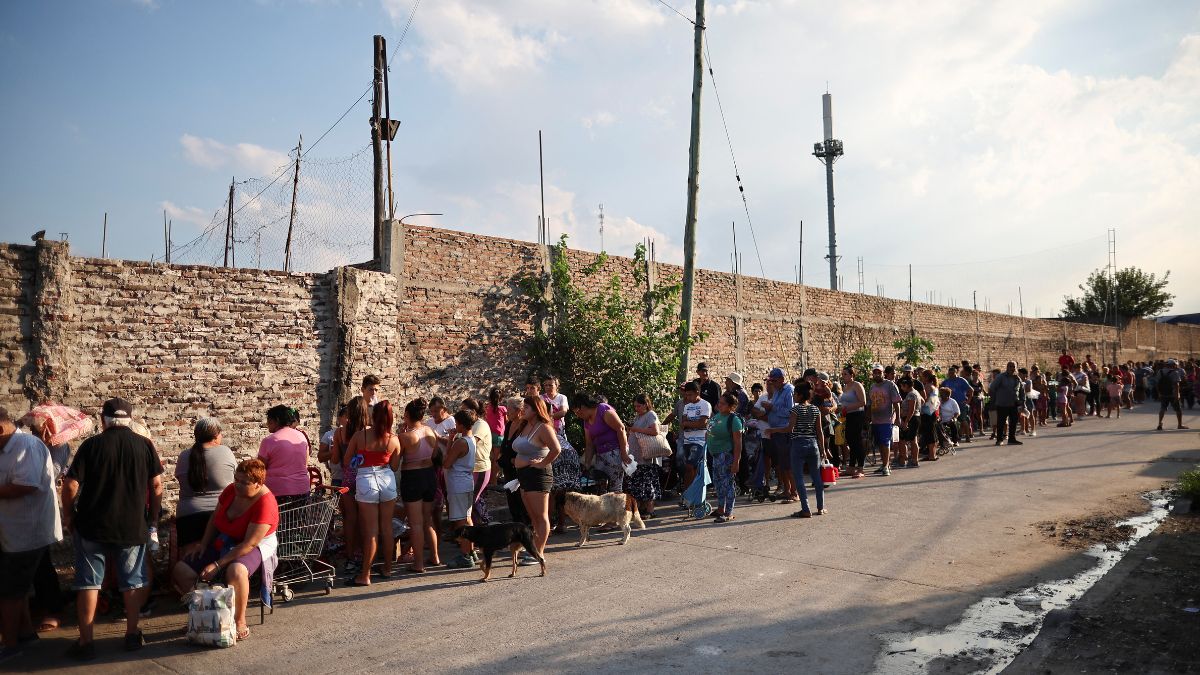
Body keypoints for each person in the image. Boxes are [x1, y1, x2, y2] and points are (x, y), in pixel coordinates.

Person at [61, 398, 162, 660]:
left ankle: (86, 642)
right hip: (131, 526)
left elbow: (70, 486)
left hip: (92, 525)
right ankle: (131, 635)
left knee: (88, 583)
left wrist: (69, 516)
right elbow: (158, 486)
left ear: (103, 419)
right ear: (130, 418)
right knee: (132, 582)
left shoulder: (91, 445)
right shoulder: (145, 445)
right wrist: (152, 520)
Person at [172, 458, 278, 643]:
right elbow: (215, 518)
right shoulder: (231, 490)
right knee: (181, 570)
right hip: (226, 539)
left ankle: (239, 620)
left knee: (236, 571)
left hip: (255, 544)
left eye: (244, 482)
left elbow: (249, 544)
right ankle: (205, 613)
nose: (237, 485)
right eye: (236, 479)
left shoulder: (265, 503)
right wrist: (203, 544)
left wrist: (217, 564)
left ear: (258, 484)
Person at [0, 407, 62, 663]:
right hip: (10, 530)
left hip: (28, 530)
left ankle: (11, 644)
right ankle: (24, 634)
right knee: (15, 588)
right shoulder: (6, 448)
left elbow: (25, 486)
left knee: (10, 591)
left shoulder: (27, 446)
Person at [345, 401, 401, 585]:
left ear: (372, 416)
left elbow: (347, 461)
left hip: (366, 479)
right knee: (386, 527)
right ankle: (387, 568)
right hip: (387, 479)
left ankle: (365, 575)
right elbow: (394, 466)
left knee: (371, 531)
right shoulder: (393, 439)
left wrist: (360, 459)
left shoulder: (361, 435)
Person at [513, 396, 563, 563]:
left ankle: (538, 552)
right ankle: (534, 547)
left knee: (541, 516)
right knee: (533, 516)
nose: (523, 410)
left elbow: (556, 449)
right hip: (524, 476)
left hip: (538, 476)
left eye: (526, 407)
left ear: (535, 409)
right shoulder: (524, 425)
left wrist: (542, 463)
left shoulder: (543, 428)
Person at [173, 418, 236, 548]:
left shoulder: (183, 456)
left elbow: (180, 481)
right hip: (219, 514)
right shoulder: (225, 451)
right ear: (216, 436)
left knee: (190, 561)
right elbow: (236, 480)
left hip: (187, 515)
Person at [771, 381, 827, 518]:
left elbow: (789, 429)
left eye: (795, 394)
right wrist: (823, 449)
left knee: (799, 478)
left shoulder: (795, 410)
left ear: (800, 395)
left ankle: (806, 509)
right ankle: (821, 507)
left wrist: (773, 430)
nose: (793, 396)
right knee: (817, 477)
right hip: (813, 445)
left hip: (798, 445)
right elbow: (819, 432)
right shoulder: (815, 409)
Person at [399, 399, 441, 573]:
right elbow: (436, 453)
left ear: (407, 415)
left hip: (413, 476)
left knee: (415, 524)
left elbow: (396, 459)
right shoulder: (430, 431)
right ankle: (435, 556)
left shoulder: (405, 436)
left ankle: (418, 564)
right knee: (427, 520)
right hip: (429, 474)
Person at [541, 376, 581, 533]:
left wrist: (547, 417)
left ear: (557, 385)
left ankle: (553, 524)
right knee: (559, 490)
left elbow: (564, 411)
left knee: (554, 490)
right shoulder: (541, 398)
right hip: (561, 448)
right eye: (545, 385)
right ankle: (556, 523)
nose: (548, 387)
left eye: (551, 384)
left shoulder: (561, 398)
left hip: (558, 445)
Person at [337, 397, 369, 576]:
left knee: (349, 519)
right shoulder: (368, 431)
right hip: (365, 476)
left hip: (348, 477)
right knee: (366, 519)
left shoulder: (341, 432)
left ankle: (351, 557)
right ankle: (365, 555)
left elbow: (336, 459)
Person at [445, 410, 480, 570]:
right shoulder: (471, 439)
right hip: (465, 482)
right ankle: (470, 551)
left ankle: (465, 555)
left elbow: (447, 462)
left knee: (461, 522)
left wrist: (449, 441)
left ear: (460, 424)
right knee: (467, 518)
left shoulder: (461, 442)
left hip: (458, 484)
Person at [576, 394, 631, 494]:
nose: (577, 415)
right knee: (601, 488)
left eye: (577, 412)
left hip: (615, 452)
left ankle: (618, 509)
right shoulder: (586, 421)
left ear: (583, 407)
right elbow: (589, 444)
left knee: (615, 488)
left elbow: (621, 429)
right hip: (600, 455)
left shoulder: (603, 409)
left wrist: (623, 453)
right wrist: (587, 464)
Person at [258, 404, 311, 505]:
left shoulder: (269, 441)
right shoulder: (301, 436)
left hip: (278, 492)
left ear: (276, 420)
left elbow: (259, 468)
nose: (267, 423)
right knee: (298, 520)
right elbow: (305, 462)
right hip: (302, 489)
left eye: (269, 420)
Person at [705, 393, 744, 523]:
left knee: (727, 484)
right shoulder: (717, 416)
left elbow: (738, 443)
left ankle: (728, 512)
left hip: (726, 456)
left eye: (722, 403)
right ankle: (720, 508)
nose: (719, 405)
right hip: (715, 456)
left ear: (731, 406)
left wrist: (736, 462)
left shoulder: (734, 420)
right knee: (718, 483)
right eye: (719, 403)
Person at [626, 394, 664, 519]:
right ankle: (642, 509)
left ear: (646, 404)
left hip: (646, 456)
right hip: (637, 456)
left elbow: (655, 431)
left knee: (648, 482)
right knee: (639, 482)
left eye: (639, 405)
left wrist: (636, 429)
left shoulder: (650, 415)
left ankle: (650, 509)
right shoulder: (638, 416)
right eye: (635, 406)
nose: (636, 408)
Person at [761, 368, 796, 500]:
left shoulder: (789, 391)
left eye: (774, 381)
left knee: (788, 464)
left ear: (782, 379)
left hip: (785, 431)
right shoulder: (777, 391)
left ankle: (794, 492)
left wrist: (772, 408)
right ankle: (787, 490)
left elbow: (791, 412)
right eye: (771, 381)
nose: (772, 383)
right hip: (776, 431)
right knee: (781, 464)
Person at [496, 397, 531, 525]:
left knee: (521, 499)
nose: (506, 412)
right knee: (511, 498)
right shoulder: (509, 424)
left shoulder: (525, 425)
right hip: (508, 467)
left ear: (518, 411)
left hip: (519, 467)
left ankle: (525, 527)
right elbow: (505, 443)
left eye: (509, 409)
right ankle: (516, 526)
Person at [458, 398, 493, 526]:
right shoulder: (470, 424)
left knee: (473, 500)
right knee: (473, 501)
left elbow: (469, 442)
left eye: (464, 410)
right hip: (471, 469)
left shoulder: (480, 425)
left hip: (480, 468)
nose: (461, 412)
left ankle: (482, 529)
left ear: (472, 411)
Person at [677, 382, 713, 502]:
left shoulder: (705, 405)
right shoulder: (687, 406)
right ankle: (688, 495)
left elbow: (703, 423)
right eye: (686, 395)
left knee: (690, 466)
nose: (688, 398)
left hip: (699, 441)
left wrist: (689, 424)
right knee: (687, 468)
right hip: (687, 440)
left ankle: (691, 493)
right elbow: (683, 424)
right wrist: (690, 424)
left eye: (690, 395)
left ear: (697, 393)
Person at [868, 365, 901, 477]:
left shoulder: (890, 385)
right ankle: (884, 464)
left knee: (885, 442)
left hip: (887, 419)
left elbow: (896, 403)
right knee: (880, 444)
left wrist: (898, 418)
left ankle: (886, 466)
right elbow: (869, 404)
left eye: (879, 372)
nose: (877, 374)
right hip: (875, 419)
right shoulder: (872, 386)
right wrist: (868, 419)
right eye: (875, 373)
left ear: (883, 373)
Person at [838, 365, 868, 478]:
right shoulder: (845, 387)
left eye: (845, 374)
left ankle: (860, 468)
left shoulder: (857, 385)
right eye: (842, 374)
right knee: (850, 440)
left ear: (852, 375)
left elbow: (863, 402)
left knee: (857, 441)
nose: (843, 376)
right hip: (848, 416)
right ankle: (851, 467)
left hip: (857, 415)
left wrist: (847, 408)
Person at [990, 362, 1023, 446]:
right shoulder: (1000, 377)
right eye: (1010, 366)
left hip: (1013, 403)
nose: (1012, 368)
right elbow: (992, 388)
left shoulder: (1017, 378)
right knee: (1001, 422)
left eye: (1014, 367)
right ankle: (999, 440)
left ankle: (1012, 439)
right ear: (1007, 367)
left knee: (1014, 422)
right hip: (1002, 403)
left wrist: (1022, 402)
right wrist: (994, 400)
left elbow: (1021, 390)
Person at [895, 377, 922, 467]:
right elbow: (923, 400)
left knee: (904, 440)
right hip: (915, 418)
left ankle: (907, 459)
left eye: (902, 386)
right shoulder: (916, 393)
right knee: (913, 439)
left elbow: (911, 410)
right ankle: (913, 460)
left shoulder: (911, 394)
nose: (901, 388)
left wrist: (906, 422)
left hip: (911, 419)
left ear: (906, 385)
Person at [1156, 359, 1188, 431]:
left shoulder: (1160, 372)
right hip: (1172, 394)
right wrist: (1177, 396)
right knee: (1178, 410)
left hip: (1163, 394)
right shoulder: (1175, 372)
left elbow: (1157, 384)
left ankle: (1159, 423)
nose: (1176, 366)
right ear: (1173, 365)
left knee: (1162, 409)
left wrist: (1159, 393)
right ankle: (1180, 425)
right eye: (1175, 364)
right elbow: (1177, 385)